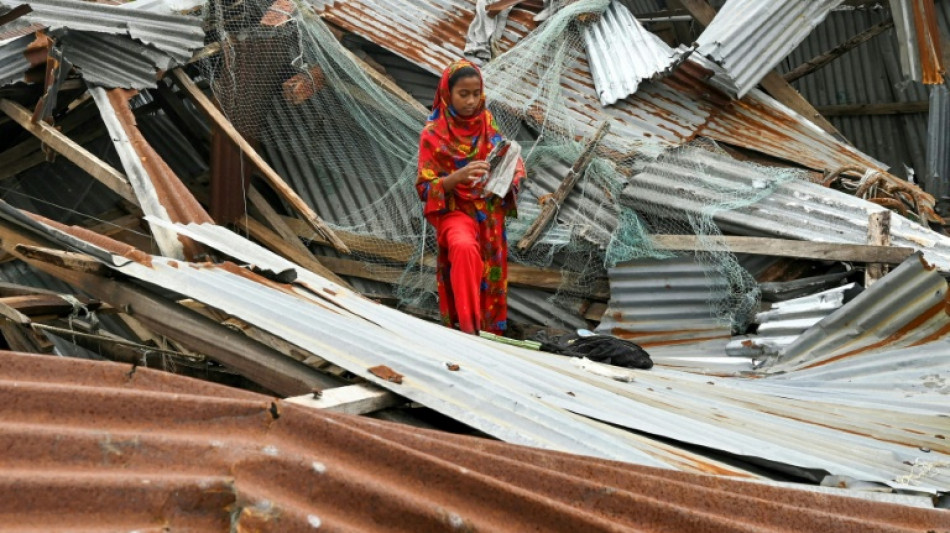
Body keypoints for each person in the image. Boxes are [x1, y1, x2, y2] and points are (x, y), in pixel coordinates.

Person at [416, 59, 525, 335]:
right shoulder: (433, 134)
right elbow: (424, 188)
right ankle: (467, 332)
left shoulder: (486, 122)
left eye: (476, 93)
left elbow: (506, 156)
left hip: (488, 214)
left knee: (490, 271)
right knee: (463, 248)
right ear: (447, 93)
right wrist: (456, 178)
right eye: (463, 94)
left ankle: (490, 333)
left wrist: (512, 173)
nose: (471, 101)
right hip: (456, 211)